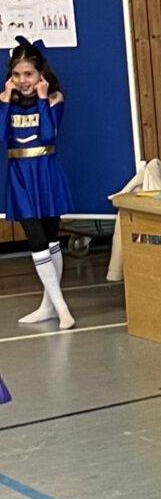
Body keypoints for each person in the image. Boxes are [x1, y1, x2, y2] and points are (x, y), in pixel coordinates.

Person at [2, 37, 74, 329]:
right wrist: (5, 102)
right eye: (17, 74)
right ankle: (62, 308)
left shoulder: (54, 98)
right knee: (36, 240)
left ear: (40, 73)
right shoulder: (6, 101)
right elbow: (1, 136)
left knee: (52, 239)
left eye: (29, 74)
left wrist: (43, 98)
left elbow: (47, 135)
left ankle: (49, 306)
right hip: (20, 176)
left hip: (45, 172)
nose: (23, 80)